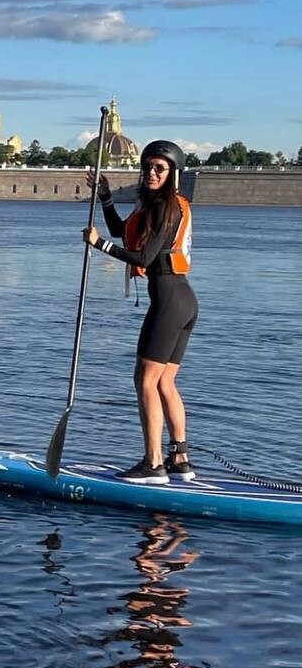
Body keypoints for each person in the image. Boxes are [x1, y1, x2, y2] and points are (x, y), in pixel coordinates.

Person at [83, 141, 199, 485]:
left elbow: (143, 259)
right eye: (147, 167)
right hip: (182, 301)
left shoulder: (166, 208)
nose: (151, 173)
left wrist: (98, 245)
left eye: (159, 169)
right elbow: (123, 231)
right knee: (164, 381)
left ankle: (153, 464)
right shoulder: (154, 206)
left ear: (172, 174)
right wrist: (105, 197)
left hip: (170, 302)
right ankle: (180, 459)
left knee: (145, 380)